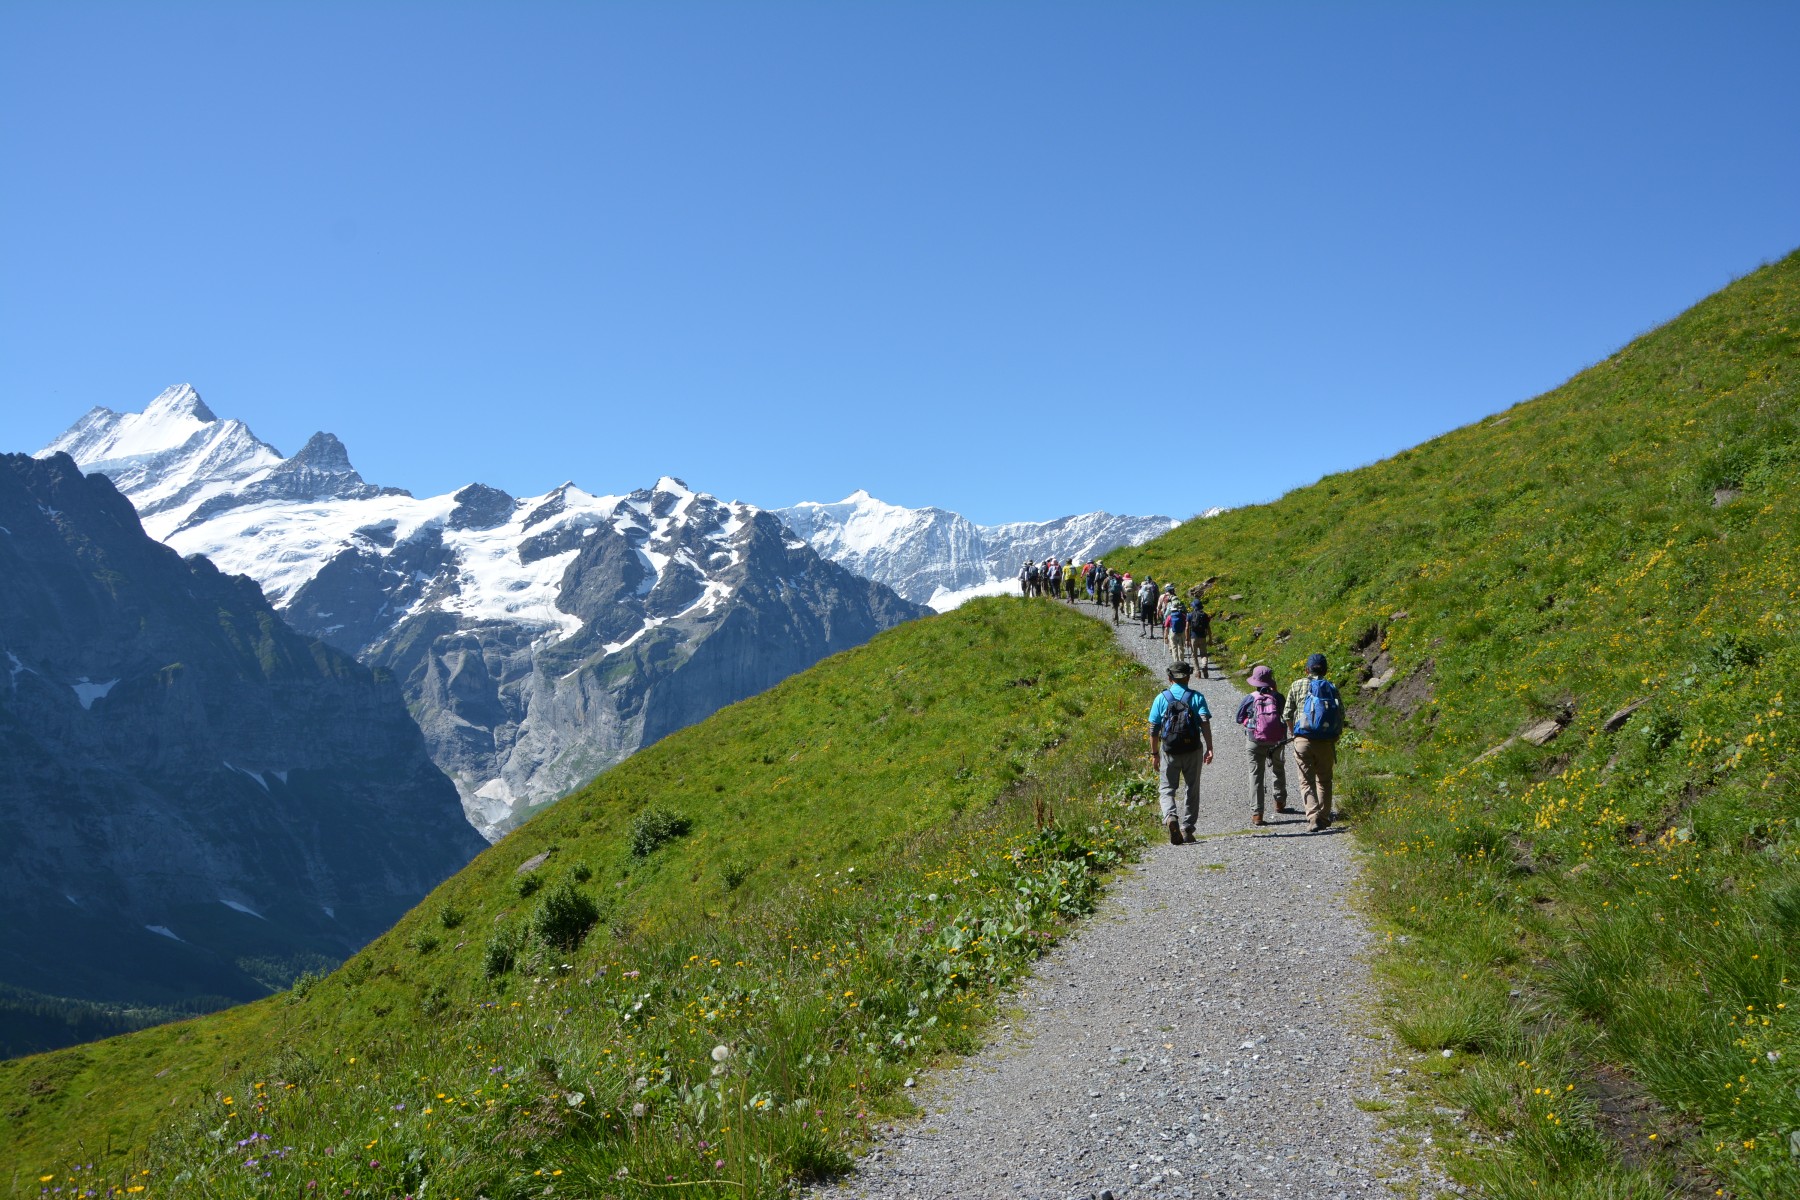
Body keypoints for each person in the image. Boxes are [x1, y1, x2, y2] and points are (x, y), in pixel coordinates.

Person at [1148, 661, 1214, 844]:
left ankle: (1171, 817)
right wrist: (1209, 747)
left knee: (1167, 788)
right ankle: (1187, 829)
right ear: (1188, 677)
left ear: (1170, 677)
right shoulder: (1197, 697)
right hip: (1193, 749)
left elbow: (1153, 729)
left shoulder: (1161, 698)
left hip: (1170, 751)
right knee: (1192, 787)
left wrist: (1154, 754)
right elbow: (1204, 723)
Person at [1284, 653, 1344, 831]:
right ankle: (1324, 818)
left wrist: (1294, 733)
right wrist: (1335, 735)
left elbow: (1287, 714)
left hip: (1303, 740)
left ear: (1306, 670)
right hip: (1326, 742)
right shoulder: (1331, 687)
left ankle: (1313, 817)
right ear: (1325, 670)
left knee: (1306, 781)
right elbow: (1341, 713)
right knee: (1324, 781)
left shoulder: (1297, 685)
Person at [1234, 664, 1293, 826]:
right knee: (1278, 769)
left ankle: (1257, 814)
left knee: (1256, 775)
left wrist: (1249, 722)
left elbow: (1239, 718)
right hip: (1277, 740)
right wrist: (1275, 691)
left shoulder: (1250, 698)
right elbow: (1286, 714)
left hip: (1255, 740)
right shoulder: (1278, 697)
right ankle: (1279, 802)